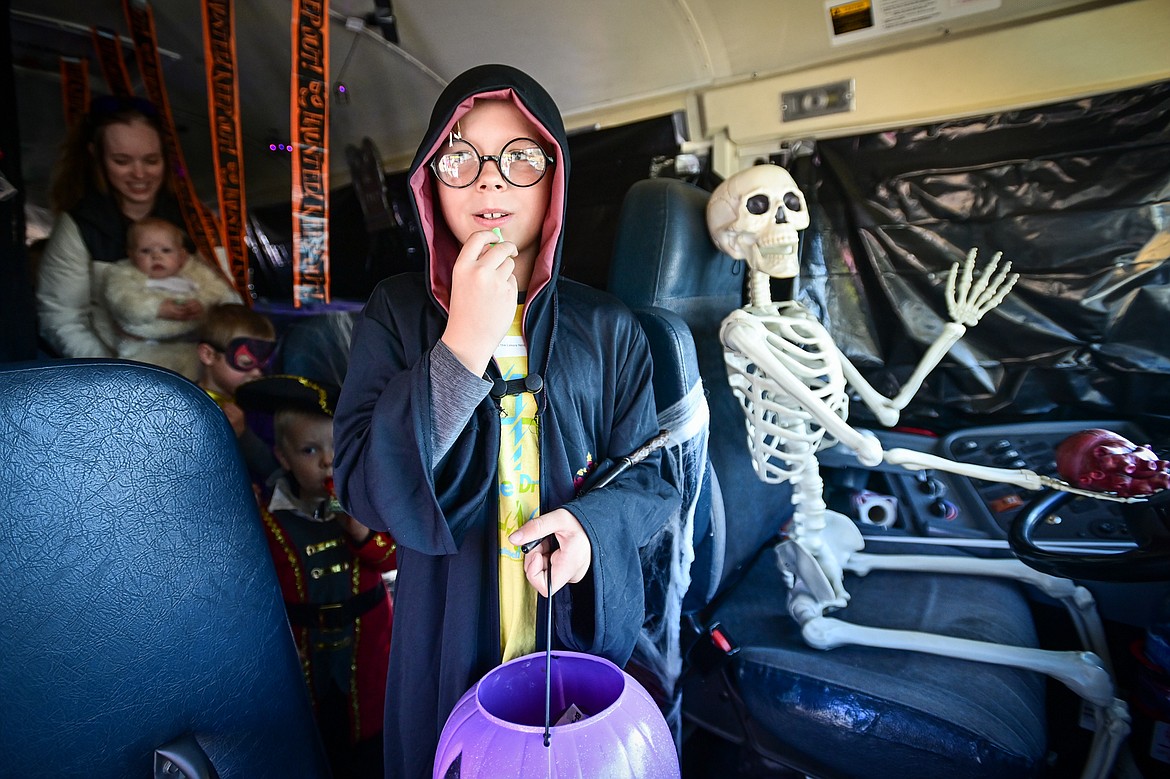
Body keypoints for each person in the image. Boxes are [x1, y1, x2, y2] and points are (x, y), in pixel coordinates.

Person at [332, 64, 680, 777]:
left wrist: (591, 526)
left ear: (555, 180)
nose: (490, 180)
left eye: (521, 157)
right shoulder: (396, 314)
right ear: (432, 181)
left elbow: (656, 475)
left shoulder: (608, 326)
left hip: (575, 634)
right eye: (462, 157)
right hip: (445, 636)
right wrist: (461, 346)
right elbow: (362, 481)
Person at [236, 373, 396, 779]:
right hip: (302, 648)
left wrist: (361, 532)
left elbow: (393, 560)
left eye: (336, 449)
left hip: (369, 643)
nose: (327, 461)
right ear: (283, 457)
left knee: (370, 735)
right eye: (310, 451)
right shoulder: (266, 516)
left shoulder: (370, 503)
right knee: (314, 733)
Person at [36, 96, 227, 357]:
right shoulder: (81, 225)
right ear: (97, 156)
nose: (139, 174)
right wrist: (122, 372)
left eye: (151, 161)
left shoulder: (195, 219)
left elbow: (225, 295)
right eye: (122, 161)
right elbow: (62, 318)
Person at [101, 217, 239, 380]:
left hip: (191, 349)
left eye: (166, 250)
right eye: (145, 251)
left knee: (194, 387)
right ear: (131, 254)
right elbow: (123, 302)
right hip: (145, 351)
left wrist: (202, 305)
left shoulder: (195, 272)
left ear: (182, 255)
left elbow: (219, 293)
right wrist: (157, 308)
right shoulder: (124, 275)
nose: (156, 257)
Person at [195, 303, 280, 485]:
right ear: (208, 355)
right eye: (246, 361)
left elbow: (277, 473)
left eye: (263, 363)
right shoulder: (181, 407)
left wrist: (245, 435)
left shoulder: (262, 412)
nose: (257, 372)